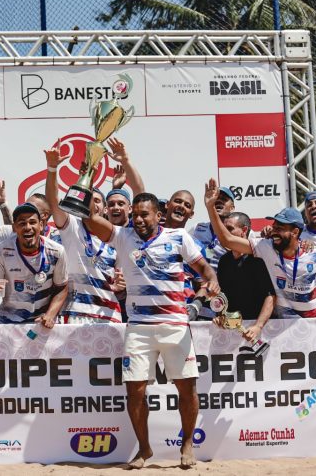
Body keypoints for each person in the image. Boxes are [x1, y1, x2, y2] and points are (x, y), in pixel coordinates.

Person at [84, 192, 219, 469]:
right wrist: (88, 177)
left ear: (159, 215)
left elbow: (205, 269)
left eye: (144, 214)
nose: (138, 219)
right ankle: (144, 450)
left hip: (175, 325)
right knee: (135, 390)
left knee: (187, 387)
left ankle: (187, 445)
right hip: (139, 327)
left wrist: (212, 282)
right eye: (135, 214)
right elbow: (91, 220)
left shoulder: (178, 238)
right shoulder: (123, 236)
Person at [204, 178, 316, 323]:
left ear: (295, 232)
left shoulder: (313, 252)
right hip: (280, 325)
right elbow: (227, 240)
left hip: (311, 323)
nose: (274, 231)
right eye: (274, 226)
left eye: (280, 228)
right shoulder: (266, 247)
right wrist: (210, 207)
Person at [44, 147, 125, 323]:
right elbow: (53, 201)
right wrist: (52, 169)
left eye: (96, 200)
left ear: (105, 209)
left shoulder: (117, 238)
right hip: (74, 315)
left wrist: (120, 287)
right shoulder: (72, 227)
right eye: (88, 199)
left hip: (108, 317)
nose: (91, 203)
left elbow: (122, 281)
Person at [0, 202, 68, 327]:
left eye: (32, 222)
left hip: (41, 323)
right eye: (22, 223)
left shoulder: (57, 251)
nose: (28, 227)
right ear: (14, 228)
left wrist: (50, 315)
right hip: (9, 322)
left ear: (41, 225)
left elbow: (62, 288)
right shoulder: (2, 250)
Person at [213, 212, 275, 342]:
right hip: (233, 333)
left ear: (244, 230)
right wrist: (220, 316)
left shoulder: (259, 258)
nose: (224, 233)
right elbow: (223, 296)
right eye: (223, 229)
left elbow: (271, 296)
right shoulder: (224, 261)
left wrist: (258, 326)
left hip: (262, 331)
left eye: (229, 229)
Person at [192, 186, 236, 270]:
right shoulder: (197, 227)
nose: (219, 200)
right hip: (202, 280)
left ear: (232, 208)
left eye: (224, 199)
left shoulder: (240, 231)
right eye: (216, 198)